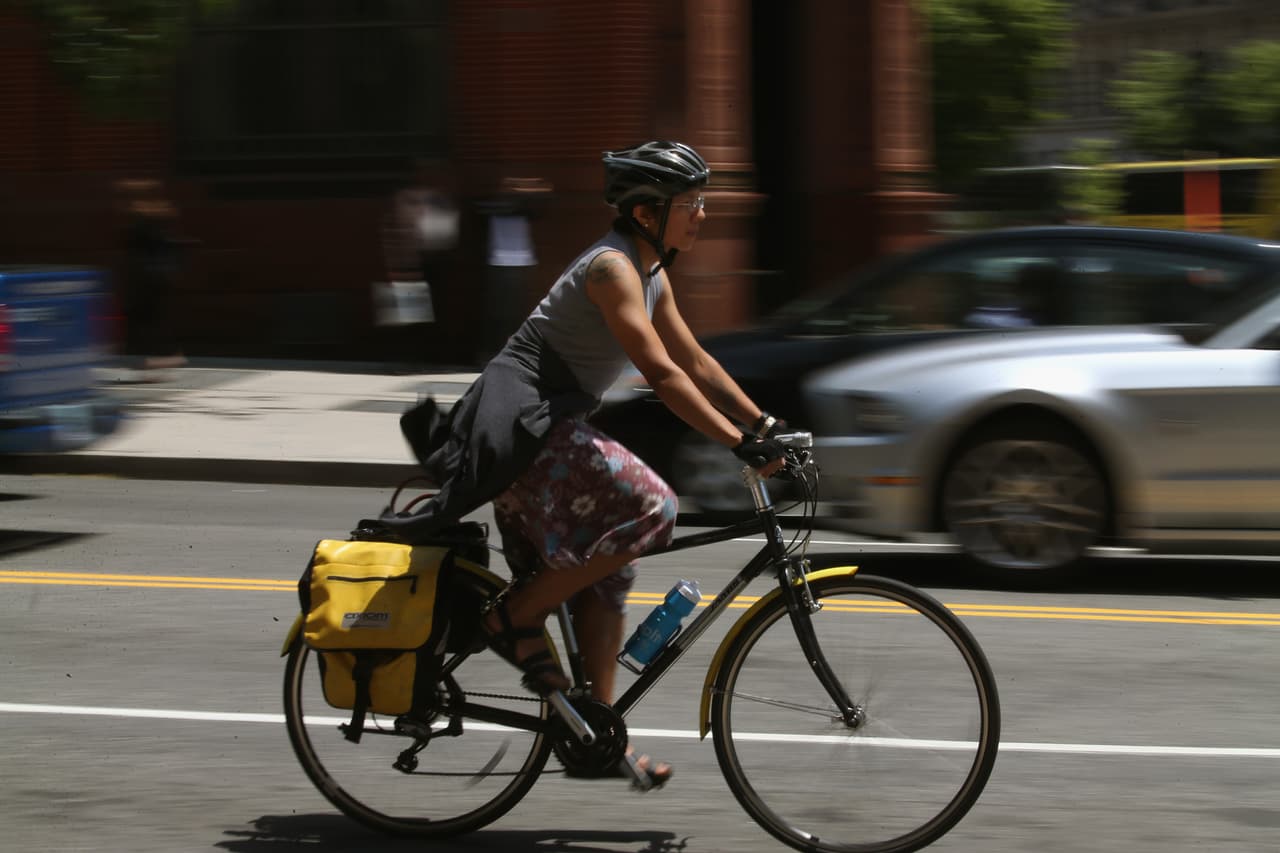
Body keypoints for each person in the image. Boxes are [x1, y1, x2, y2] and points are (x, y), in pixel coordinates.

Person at [394, 140, 788, 785]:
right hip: (522, 426)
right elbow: (661, 373)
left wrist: (763, 423)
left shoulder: (651, 272)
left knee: (608, 572)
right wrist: (736, 442)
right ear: (646, 214)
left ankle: (595, 739)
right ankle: (513, 616)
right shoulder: (612, 270)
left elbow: (695, 360)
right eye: (691, 203)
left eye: (702, 201)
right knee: (653, 506)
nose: (703, 214)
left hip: (550, 425)